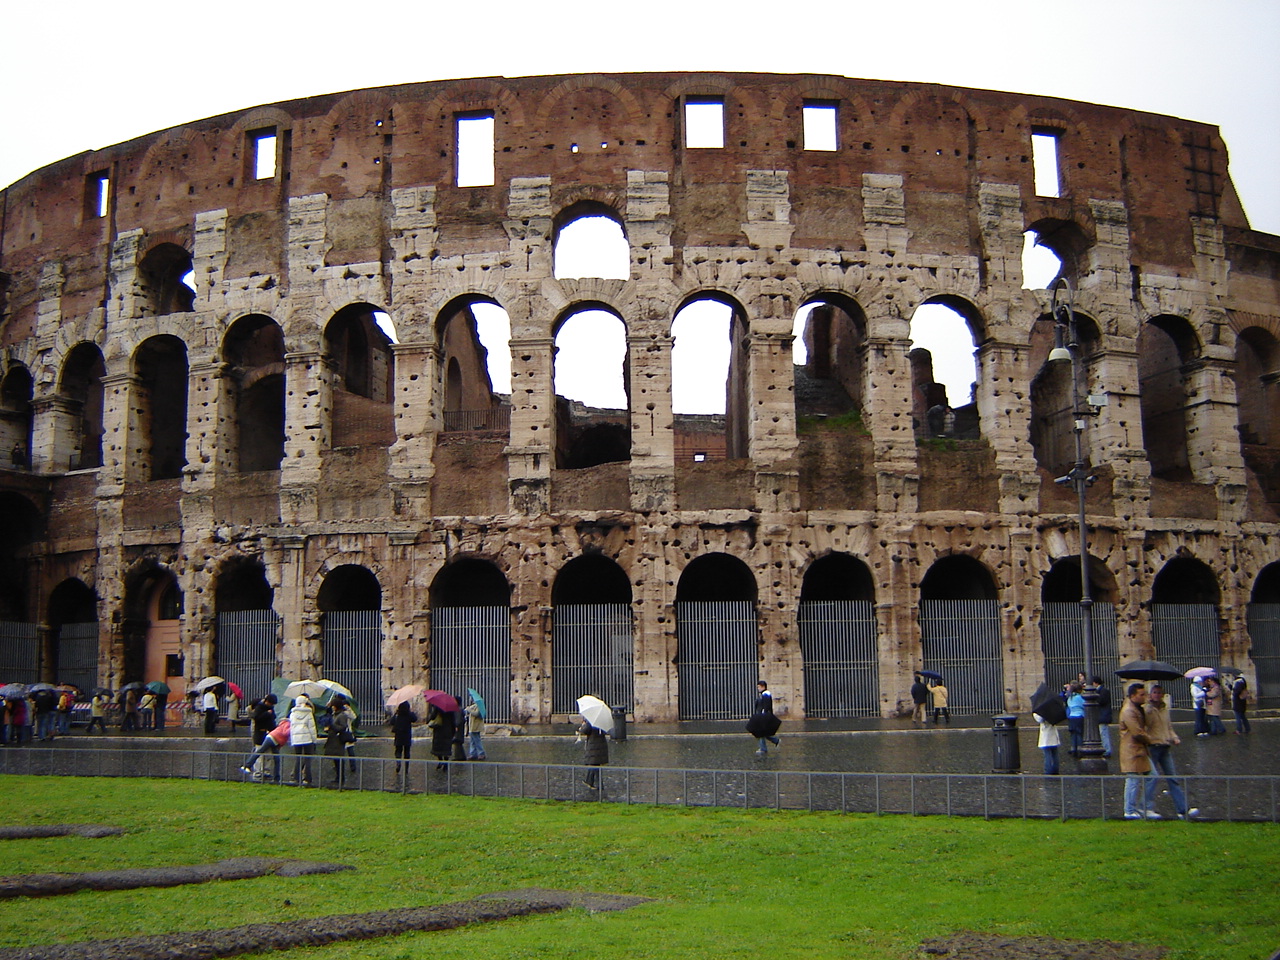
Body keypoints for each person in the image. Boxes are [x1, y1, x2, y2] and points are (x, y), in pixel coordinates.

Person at [1143, 683, 1199, 820]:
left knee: (1173, 778)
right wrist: (1148, 710)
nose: (1157, 695)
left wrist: (1174, 737)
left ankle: (1182, 809)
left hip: (1165, 745)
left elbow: (1168, 727)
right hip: (1153, 746)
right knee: (1152, 778)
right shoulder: (1146, 709)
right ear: (1150, 694)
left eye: (1159, 692)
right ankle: (1146, 807)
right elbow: (1145, 727)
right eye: (1155, 692)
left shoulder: (1164, 709)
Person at [1119, 682, 1158, 819]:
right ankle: (1129, 810)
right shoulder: (1128, 711)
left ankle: (1143, 807)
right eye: (1141, 695)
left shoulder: (1138, 708)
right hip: (1131, 750)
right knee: (1133, 780)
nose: (1144, 697)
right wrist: (1152, 740)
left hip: (1140, 749)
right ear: (1132, 696)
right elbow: (1137, 732)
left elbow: (1147, 723)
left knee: (1152, 776)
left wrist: (1149, 708)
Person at [241, 716, 290, 782]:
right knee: (260, 751)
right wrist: (293, 729)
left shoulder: (285, 723)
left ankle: (277, 777)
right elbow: (285, 733)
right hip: (272, 739)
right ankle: (247, 765)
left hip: (274, 741)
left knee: (277, 759)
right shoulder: (288, 723)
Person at [322, 695, 357, 787]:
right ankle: (338, 777)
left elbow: (342, 727)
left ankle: (341, 777)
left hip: (339, 740)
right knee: (336, 759)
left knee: (339, 759)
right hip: (334, 739)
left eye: (333, 706)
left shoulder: (342, 715)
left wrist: (332, 726)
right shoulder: (335, 714)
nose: (332, 707)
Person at [288, 694, 318, 785]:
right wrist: (314, 740)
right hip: (307, 738)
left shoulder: (292, 714)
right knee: (307, 758)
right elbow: (312, 727)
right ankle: (307, 778)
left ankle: (296, 777)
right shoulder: (308, 713)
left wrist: (292, 740)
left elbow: (292, 727)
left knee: (298, 758)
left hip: (296, 739)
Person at [247, 694, 278, 778]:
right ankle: (258, 772)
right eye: (270, 703)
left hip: (269, 735)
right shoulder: (259, 708)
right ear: (267, 701)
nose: (271, 705)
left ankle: (266, 771)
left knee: (268, 755)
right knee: (259, 754)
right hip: (260, 734)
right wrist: (267, 714)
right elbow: (256, 718)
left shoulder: (271, 709)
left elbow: (273, 719)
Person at [578, 714, 609, 793]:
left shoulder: (591, 721)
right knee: (595, 765)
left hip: (594, 746)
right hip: (601, 746)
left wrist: (583, 726)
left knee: (594, 765)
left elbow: (585, 731)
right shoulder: (602, 722)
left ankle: (596, 784)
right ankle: (591, 782)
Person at [752, 680, 781, 756]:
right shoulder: (763, 694)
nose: (758, 688)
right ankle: (776, 741)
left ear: (763, 686)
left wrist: (764, 715)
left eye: (759, 687)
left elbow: (766, 706)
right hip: (762, 715)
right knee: (763, 732)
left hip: (763, 716)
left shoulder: (766, 694)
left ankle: (763, 748)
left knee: (760, 732)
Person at [390, 701, 417, 773]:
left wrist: (395, 713)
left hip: (398, 735)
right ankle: (406, 768)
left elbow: (391, 722)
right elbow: (415, 719)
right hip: (407, 736)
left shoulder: (398, 714)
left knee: (398, 751)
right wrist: (412, 712)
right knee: (407, 752)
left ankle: (398, 763)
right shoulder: (409, 714)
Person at [427, 703, 455, 771]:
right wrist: (453, 731)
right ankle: (445, 764)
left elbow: (433, 717)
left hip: (439, 730)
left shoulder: (437, 706)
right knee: (446, 748)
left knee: (438, 748)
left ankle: (440, 761)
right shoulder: (450, 707)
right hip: (447, 730)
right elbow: (453, 720)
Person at [1092, 676, 1113, 758]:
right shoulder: (1100, 691)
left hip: (1103, 715)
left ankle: (1107, 750)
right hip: (1101, 715)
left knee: (1103, 733)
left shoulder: (1103, 691)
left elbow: (1101, 701)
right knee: (1102, 733)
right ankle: (1105, 748)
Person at [1065, 683, 1085, 756]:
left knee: (1073, 734)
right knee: (1079, 733)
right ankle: (1080, 749)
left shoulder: (1070, 697)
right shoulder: (1079, 697)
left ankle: (1073, 749)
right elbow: (1084, 705)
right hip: (1079, 716)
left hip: (1071, 717)